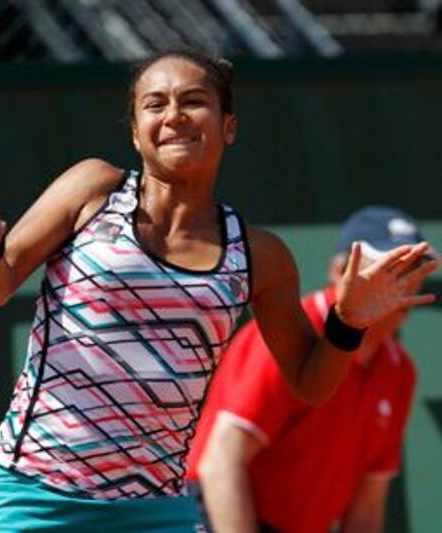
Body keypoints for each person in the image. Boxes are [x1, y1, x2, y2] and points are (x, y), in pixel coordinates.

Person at [0, 46, 438, 532]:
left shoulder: (261, 257)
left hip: (156, 513)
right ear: (136, 133)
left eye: (194, 100)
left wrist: (347, 321)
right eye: (155, 104)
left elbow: (311, 383)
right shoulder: (91, 189)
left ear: (229, 126)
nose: (175, 115)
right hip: (38, 495)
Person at [186, 206, 436, 533]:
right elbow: (221, 463)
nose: (403, 285)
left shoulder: (399, 371)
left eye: (413, 270)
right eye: (390, 267)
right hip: (212, 515)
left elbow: (367, 505)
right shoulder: (293, 332)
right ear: (340, 271)